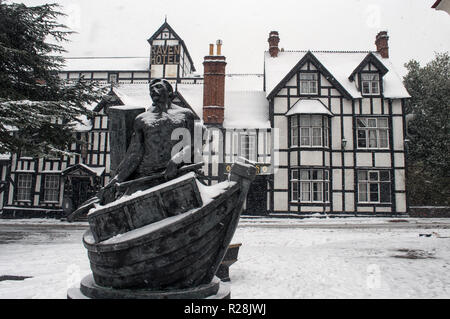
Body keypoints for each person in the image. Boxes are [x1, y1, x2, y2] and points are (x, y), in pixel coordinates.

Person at [102, 79, 197, 202]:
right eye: (151, 89)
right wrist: (118, 178)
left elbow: (193, 144)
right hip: (147, 175)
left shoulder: (185, 114)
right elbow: (135, 153)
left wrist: (176, 161)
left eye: (158, 87)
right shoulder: (142, 119)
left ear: (169, 92)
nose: (153, 90)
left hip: (174, 172)